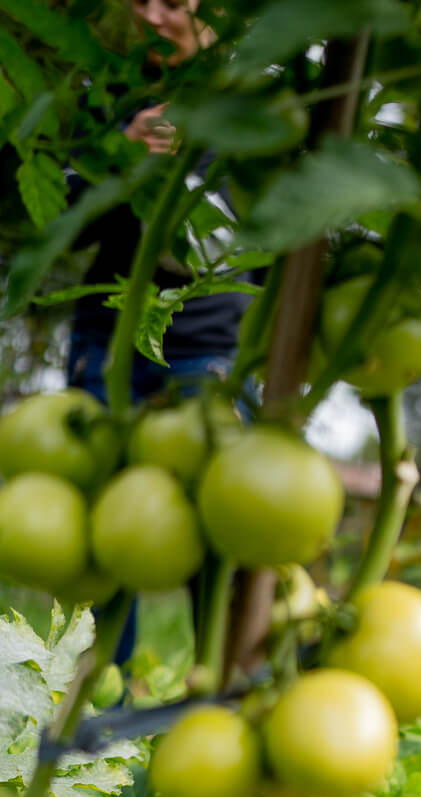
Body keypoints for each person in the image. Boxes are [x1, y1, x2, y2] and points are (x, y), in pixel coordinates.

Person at [67, 1, 254, 660]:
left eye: (173, 2)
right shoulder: (118, 97)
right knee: (102, 526)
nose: (151, 14)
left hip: (208, 346)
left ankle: (216, 680)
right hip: (108, 339)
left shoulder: (259, 101)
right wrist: (119, 157)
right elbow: (67, 221)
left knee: (223, 524)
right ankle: (97, 681)